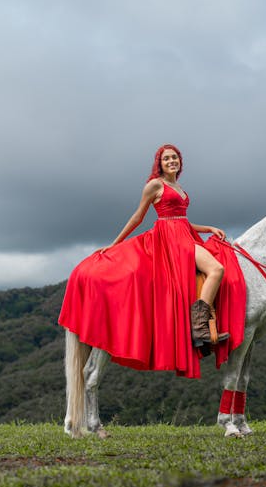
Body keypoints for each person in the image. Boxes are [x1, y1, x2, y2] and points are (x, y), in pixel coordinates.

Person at [58, 144, 235, 379]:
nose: (171, 161)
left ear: (180, 162)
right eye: (166, 159)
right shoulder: (155, 185)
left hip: (183, 234)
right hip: (171, 241)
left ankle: (199, 324)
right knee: (217, 269)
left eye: (175, 158)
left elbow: (181, 220)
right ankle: (199, 327)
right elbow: (139, 216)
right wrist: (115, 243)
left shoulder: (178, 187)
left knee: (216, 268)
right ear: (159, 164)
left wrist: (207, 228)